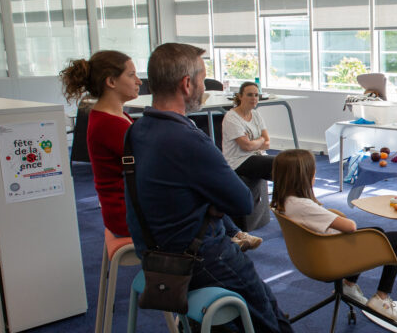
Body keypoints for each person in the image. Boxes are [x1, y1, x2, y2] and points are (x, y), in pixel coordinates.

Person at [124, 42, 353, 333]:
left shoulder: (138, 130)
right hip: (197, 256)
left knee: (260, 299)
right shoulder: (188, 139)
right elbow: (242, 201)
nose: (205, 86)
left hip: (155, 251)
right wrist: (210, 206)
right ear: (187, 84)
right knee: (262, 302)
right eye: (202, 78)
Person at [59, 51, 262, 251]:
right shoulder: (109, 124)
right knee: (197, 191)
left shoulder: (114, 117)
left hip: (132, 203)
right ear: (111, 82)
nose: (139, 81)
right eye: (131, 75)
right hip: (130, 212)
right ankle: (227, 239)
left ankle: (232, 234)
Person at [270, 148, 397, 322]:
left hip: (314, 253)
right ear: (303, 178)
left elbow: (319, 218)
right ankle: (381, 297)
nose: (314, 177)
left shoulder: (284, 202)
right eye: (313, 174)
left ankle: (349, 285)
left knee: (377, 231)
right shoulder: (304, 205)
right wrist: (338, 219)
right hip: (332, 257)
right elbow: (350, 226)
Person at [222, 81, 274, 181]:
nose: (254, 98)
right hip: (238, 162)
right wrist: (261, 140)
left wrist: (256, 142)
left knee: (287, 169)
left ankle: (286, 196)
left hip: (256, 156)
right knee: (281, 164)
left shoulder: (256, 115)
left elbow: (267, 143)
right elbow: (247, 146)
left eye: (256, 95)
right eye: (249, 95)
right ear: (240, 96)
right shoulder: (231, 117)